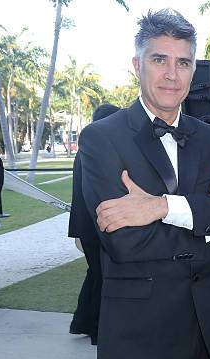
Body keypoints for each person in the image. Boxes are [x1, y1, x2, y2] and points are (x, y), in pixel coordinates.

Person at [77, 9, 210, 359]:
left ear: (194, 70)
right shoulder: (101, 139)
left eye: (183, 62)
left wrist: (161, 208)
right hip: (141, 343)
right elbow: (125, 242)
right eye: (159, 60)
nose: (171, 74)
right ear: (137, 65)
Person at [69, 103, 120, 345]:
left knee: (95, 274)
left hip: (86, 225)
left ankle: (82, 321)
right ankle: (99, 332)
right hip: (96, 225)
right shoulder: (98, 150)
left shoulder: (86, 150)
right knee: (102, 277)